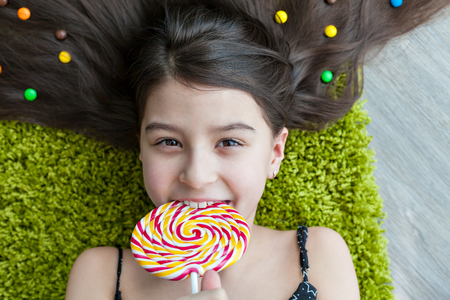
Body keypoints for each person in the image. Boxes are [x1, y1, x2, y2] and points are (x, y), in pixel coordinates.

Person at [1, 0, 449, 299]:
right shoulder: (102, 275)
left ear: (274, 154)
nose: (196, 174)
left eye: (230, 142)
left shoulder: (316, 256)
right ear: (140, 149)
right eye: (168, 142)